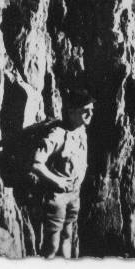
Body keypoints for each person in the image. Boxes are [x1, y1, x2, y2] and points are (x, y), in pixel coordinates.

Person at [31, 89, 93, 259]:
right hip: (57, 196)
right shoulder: (57, 135)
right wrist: (56, 181)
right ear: (72, 112)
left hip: (74, 193)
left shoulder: (81, 131)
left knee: (68, 234)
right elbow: (36, 163)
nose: (90, 114)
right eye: (85, 111)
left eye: (92, 110)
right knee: (53, 241)